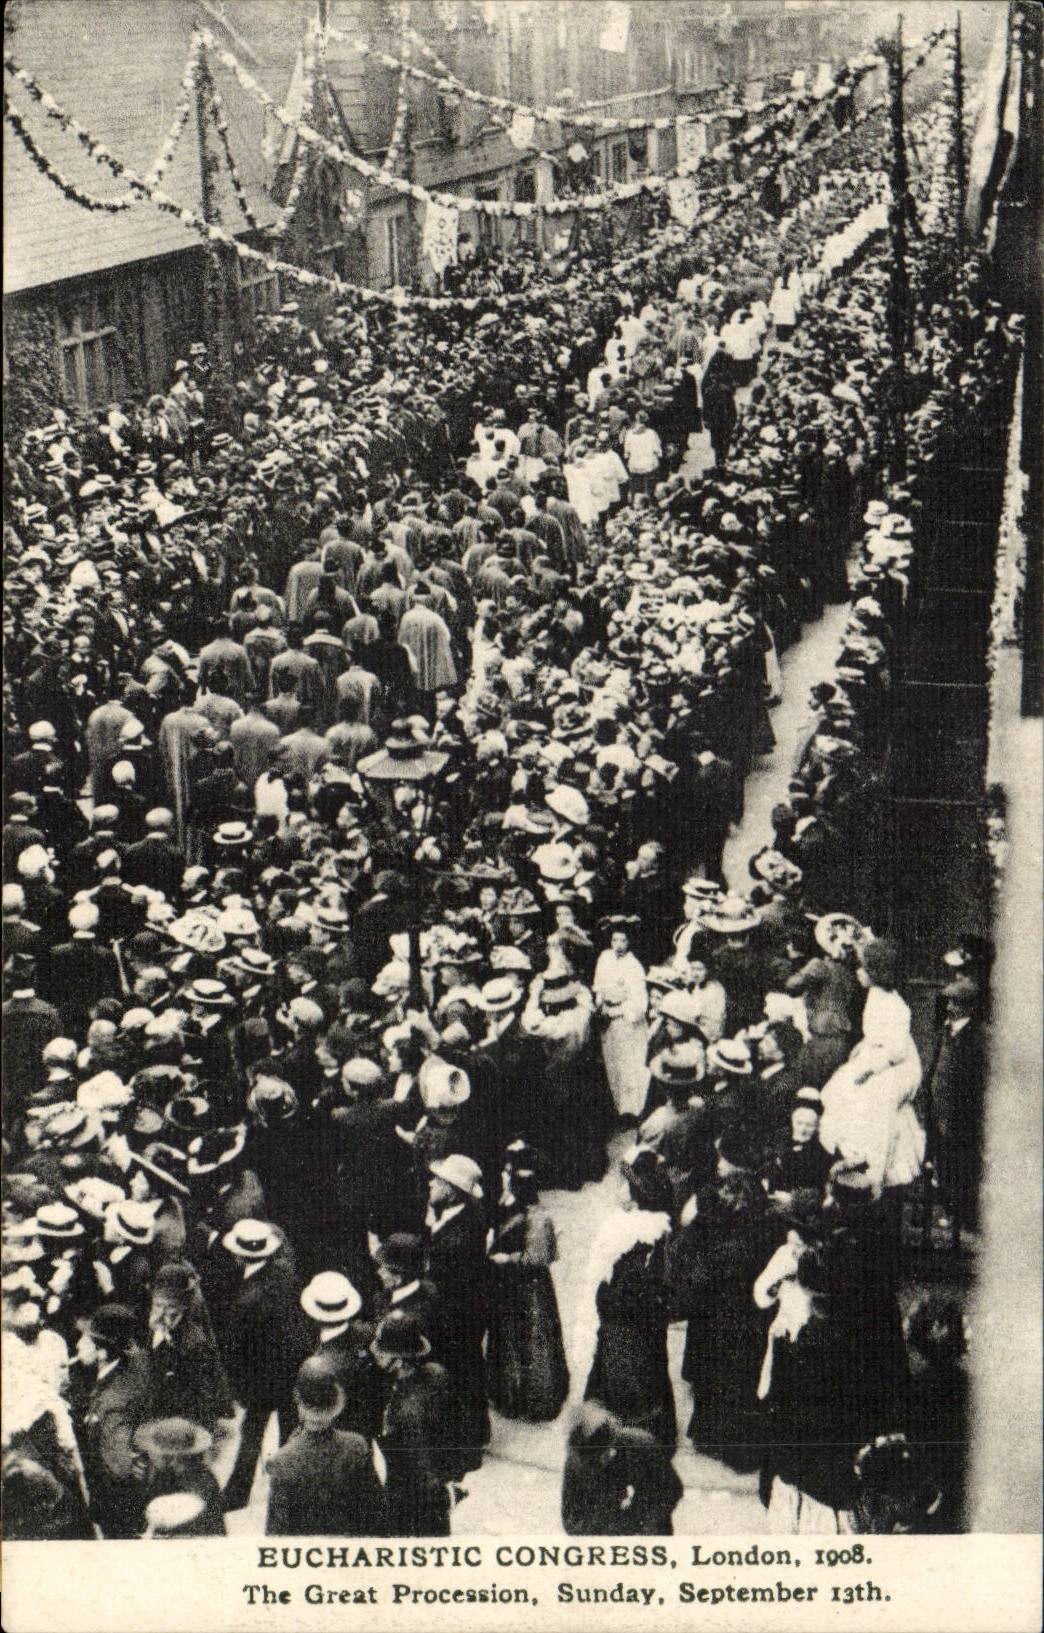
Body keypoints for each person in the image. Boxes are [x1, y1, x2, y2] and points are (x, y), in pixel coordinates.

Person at [573, 1148, 676, 1452]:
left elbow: (615, 1286)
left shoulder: (625, 1234)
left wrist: (604, 1300)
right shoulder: (654, 1230)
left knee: (623, 1380)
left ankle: (621, 1440)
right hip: (639, 1325)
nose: (619, 1188)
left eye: (626, 1185)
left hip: (624, 1327)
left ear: (635, 1198)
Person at [265, 1358, 386, 1536]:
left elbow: (277, 1533)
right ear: (339, 1401)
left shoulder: (281, 1461)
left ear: (297, 1399)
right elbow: (377, 1515)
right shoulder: (357, 1446)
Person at [485, 1165, 568, 1422]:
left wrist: (506, 1259)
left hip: (531, 1291)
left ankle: (535, 1399)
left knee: (533, 1342)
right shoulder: (516, 1211)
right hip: (513, 1287)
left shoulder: (539, 1218)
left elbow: (538, 1257)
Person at [561, 1404, 683, 1535]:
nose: (603, 1460)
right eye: (595, 1459)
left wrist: (634, 1520)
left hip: (645, 1524)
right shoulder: (576, 1463)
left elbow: (671, 1490)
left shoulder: (641, 1446)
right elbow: (572, 1521)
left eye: (606, 1452)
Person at [592, 918, 650, 1123]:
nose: (618, 945)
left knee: (629, 1067)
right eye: (614, 940)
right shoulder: (604, 957)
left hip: (626, 1024)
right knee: (612, 1065)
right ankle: (617, 1110)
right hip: (608, 1021)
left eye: (623, 940)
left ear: (629, 942)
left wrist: (616, 1013)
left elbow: (639, 1002)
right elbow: (598, 985)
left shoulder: (634, 966)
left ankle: (631, 1112)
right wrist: (600, 1005)